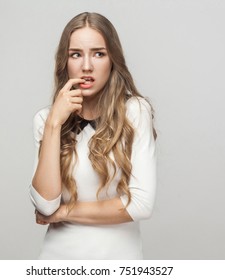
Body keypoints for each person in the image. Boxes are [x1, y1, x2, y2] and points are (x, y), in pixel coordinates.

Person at [29, 12, 157, 259]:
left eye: (99, 53)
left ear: (112, 60)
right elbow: (45, 205)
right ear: (64, 62)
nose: (86, 66)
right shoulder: (46, 120)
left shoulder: (134, 111)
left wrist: (65, 213)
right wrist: (54, 124)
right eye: (76, 54)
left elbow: (141, 204)